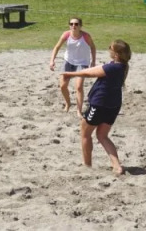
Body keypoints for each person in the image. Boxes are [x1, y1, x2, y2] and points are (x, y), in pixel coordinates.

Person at [62, 39, 131, 175]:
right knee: (102, 135)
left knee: (85, 134)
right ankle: (117, 166)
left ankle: (87, 166)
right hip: (113, 106)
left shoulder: (112, 68)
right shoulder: (121, 66)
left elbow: (89, 73)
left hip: (100, 104)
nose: (108, 49)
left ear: (116, 54)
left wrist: (69, 74)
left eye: (110, 48)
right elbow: (95, 69)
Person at [49, 17, 96, 116]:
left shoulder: (86, 36)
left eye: (76, 24)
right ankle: (68, 103)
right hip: (68, 61)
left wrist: (93, 61)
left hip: (82, 62)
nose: (73, 26)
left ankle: (79, 110)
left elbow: (93, 47)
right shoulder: (66, 35)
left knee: (78, 87)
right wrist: (52, 60)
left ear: (80, 26)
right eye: (71, 24)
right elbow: (57, 47)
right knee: (63, 86)